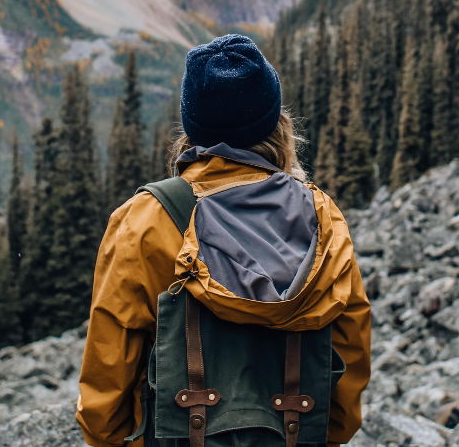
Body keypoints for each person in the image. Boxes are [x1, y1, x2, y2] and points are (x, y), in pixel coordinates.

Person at [76, 34, 371, 447]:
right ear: (276, 124)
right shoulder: (323, 218)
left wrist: (108, 437)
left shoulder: (143, 220)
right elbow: (349, 347)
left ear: (192, 129)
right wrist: (327, 432)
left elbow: (109, 367)